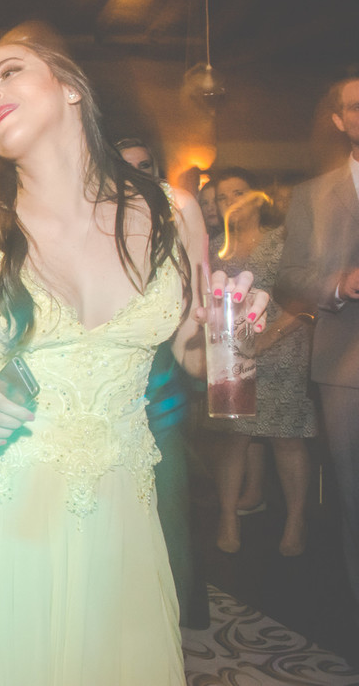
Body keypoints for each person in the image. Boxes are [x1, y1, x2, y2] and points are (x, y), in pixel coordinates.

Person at [0, 33, 268, 684]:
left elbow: (196, 357)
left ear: (71, 87)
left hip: (118, 504)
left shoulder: (175, 214)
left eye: (8, 72)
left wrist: (236, 333)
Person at [115, 137, 210, 628]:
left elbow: (194, 340)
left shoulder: (177, 225)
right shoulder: (89, 233)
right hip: (99, 407)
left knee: (169, 517)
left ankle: (173, 630)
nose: (135, 176)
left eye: (145, 166)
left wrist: (222, 340)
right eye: (123, 167)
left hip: (162, 402)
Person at [277, 73, 359, 615]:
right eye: (357, 107)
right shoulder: (313, 195)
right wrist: (337, 284)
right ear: (340, 120)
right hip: (346, 367)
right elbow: (289, 276)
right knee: (354, 495)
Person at [206, 167, 316, 556]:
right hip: (233, 353)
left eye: (238, 193)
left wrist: (269, 336)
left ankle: (296, 520)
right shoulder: (215, 246)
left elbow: (304, 295)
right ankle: (228, 517)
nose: (230, 202)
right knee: (234, 437)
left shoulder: (283, 239)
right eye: (221, 197)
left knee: (285, 436)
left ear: (256, 197)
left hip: (283, 347)